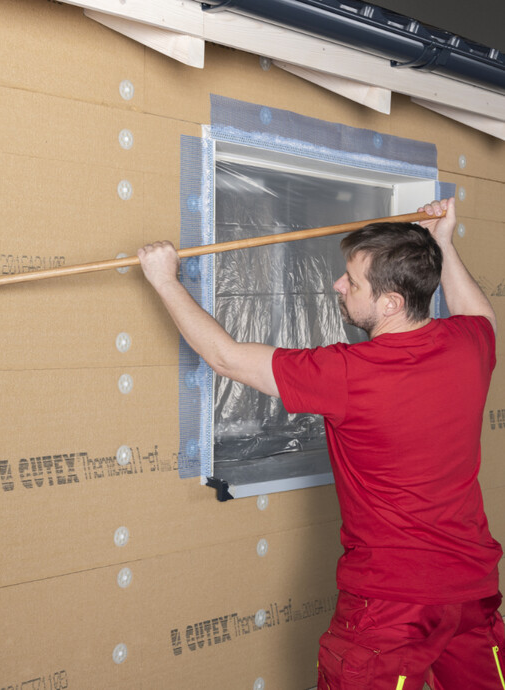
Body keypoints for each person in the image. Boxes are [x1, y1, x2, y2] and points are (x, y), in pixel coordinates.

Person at [137, 197, 504, 689]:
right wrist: (443, 242)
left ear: (391, 302)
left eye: (352, 282)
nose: (338, 285)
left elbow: (225, 358)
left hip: (392, 607)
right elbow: (480, 315)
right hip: (472, 594)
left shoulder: (349, 374)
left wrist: (163, 279)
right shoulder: (470, 346)